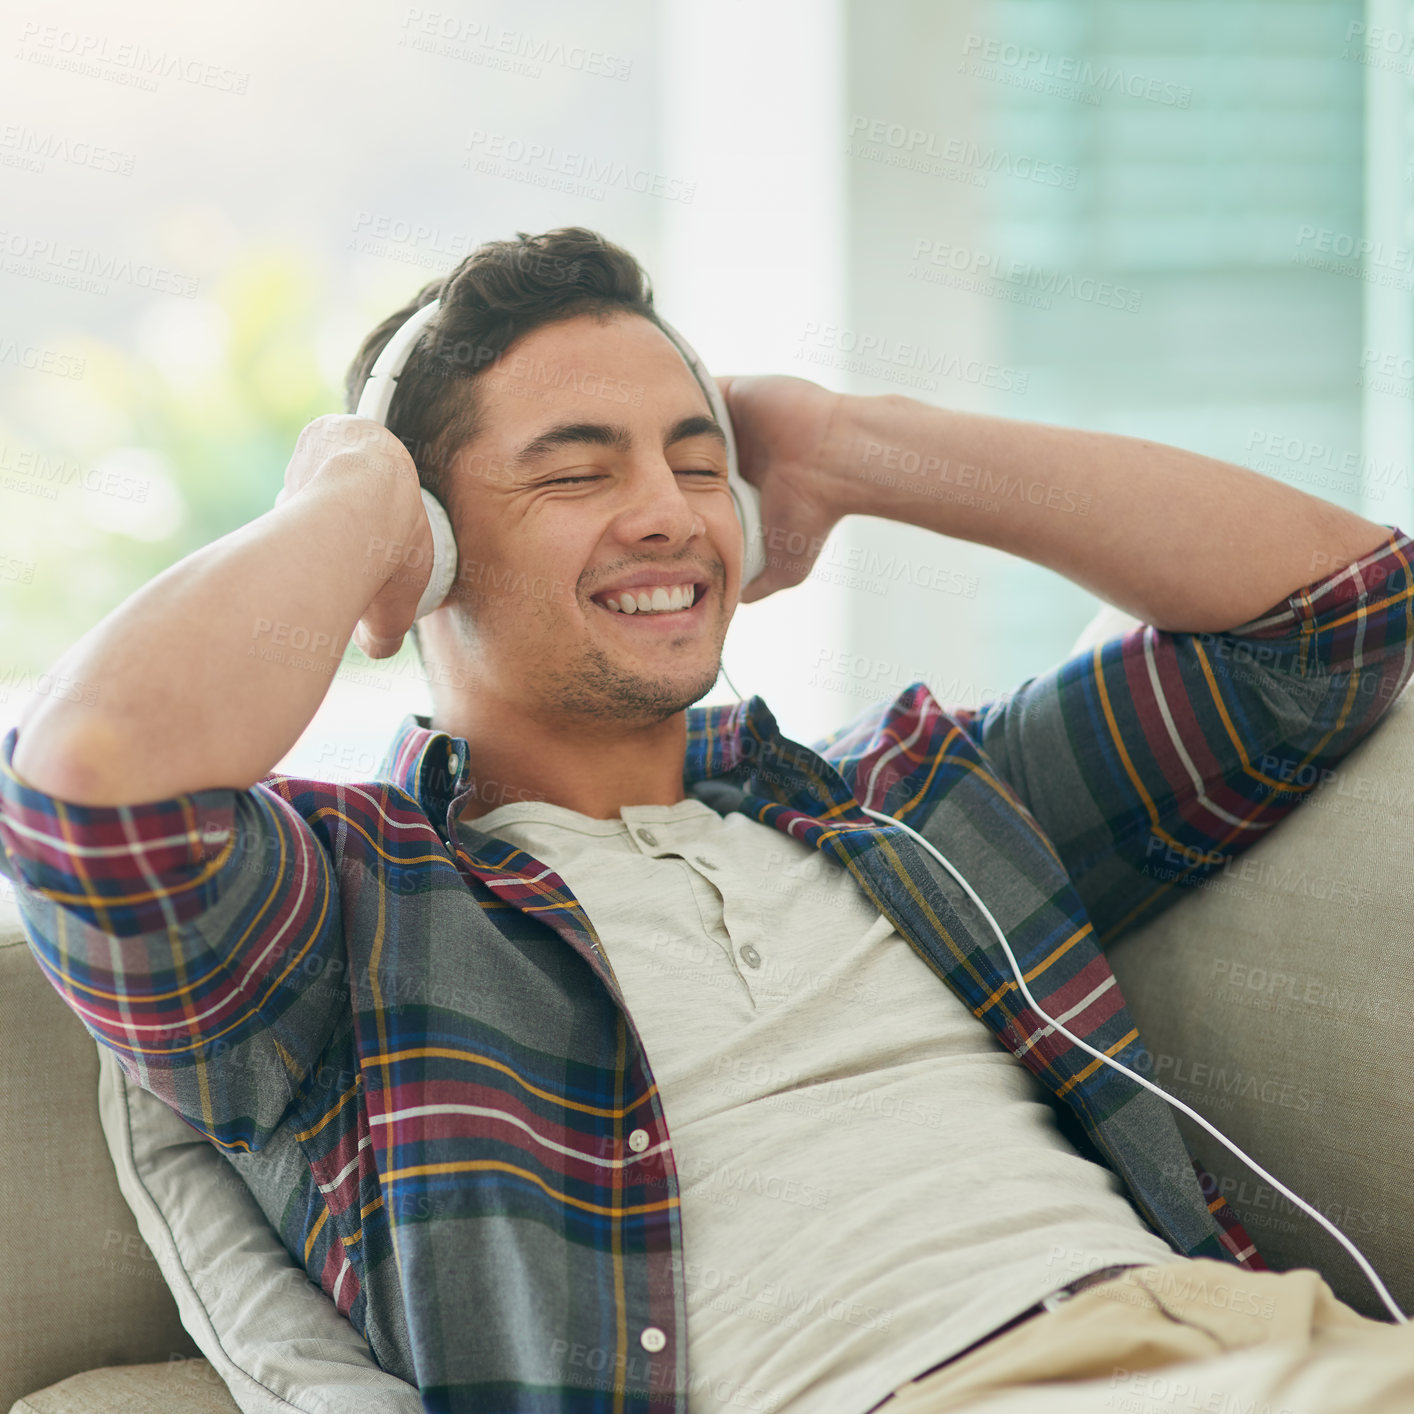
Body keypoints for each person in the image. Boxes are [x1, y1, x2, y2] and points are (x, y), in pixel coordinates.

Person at [0, 225, 1410, 1414]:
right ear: (423, 547)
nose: (669, 512)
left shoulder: (904, 800)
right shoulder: (348, 920)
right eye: (575, 469)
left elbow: (1335, 613)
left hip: (1284, 1352)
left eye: (695, 458)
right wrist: (345, 502)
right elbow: (90, 793)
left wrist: (858, 447)